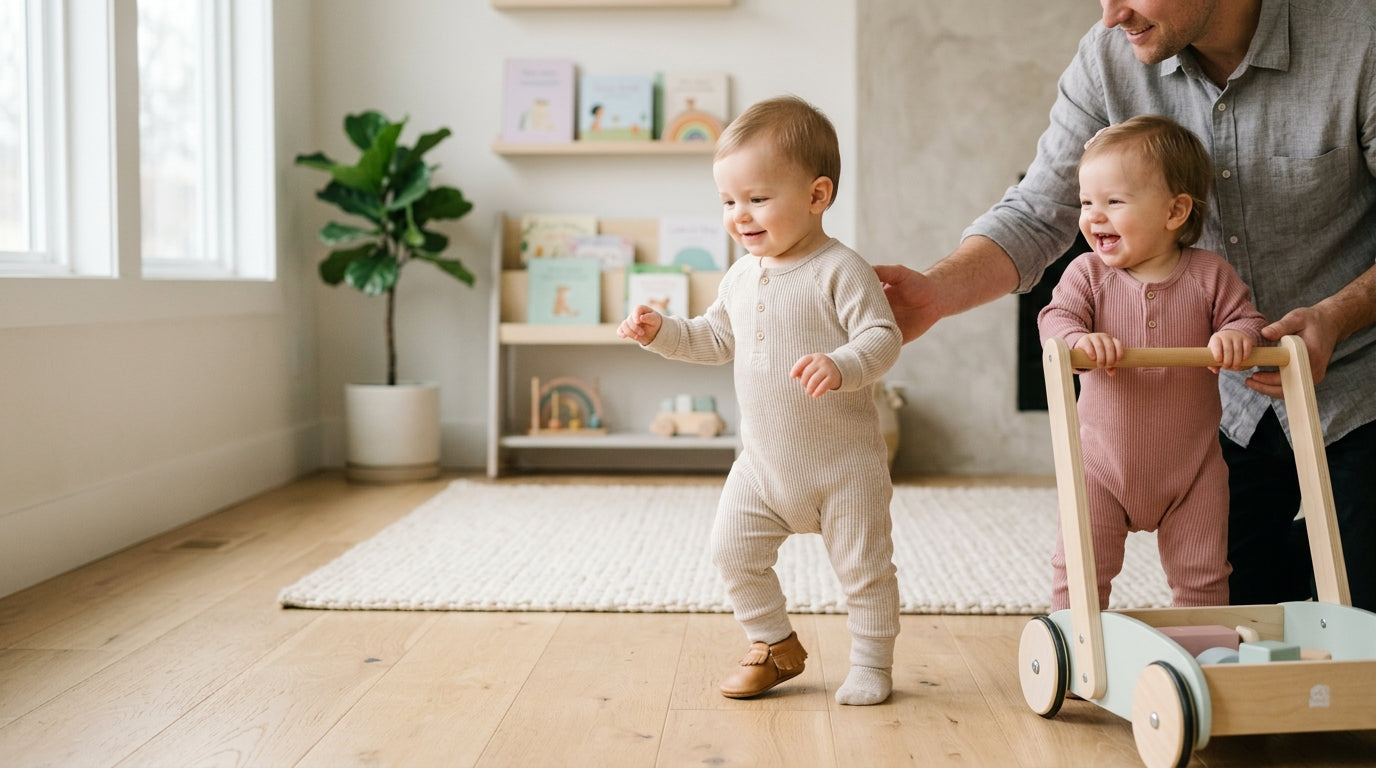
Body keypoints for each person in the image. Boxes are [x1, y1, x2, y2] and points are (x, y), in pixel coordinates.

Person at [876, 0, 1376, 612]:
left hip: (1360, 384)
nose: (1112, 14)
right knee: (1232, 611)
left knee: (1360, 618)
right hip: (1222, 413)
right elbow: (1039, 211)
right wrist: (936, 292)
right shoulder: (1109, 54)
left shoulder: (1361, 38)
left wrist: (1335, 316)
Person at [618, 95, 903, 705]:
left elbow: (883, 338)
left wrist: (842, 363)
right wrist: (662, 332)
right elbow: (715, 337)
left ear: (817, 196)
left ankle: (873, 664)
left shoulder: (840, 270)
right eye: (727, 201)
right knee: (730, 551)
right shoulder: (740, 277)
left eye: (756, 199)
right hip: (764, 465)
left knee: (864, 570)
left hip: (842, 467)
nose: (739, 215)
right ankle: (774, 644)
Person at [1038, 115, 1266, 610]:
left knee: (1204, 572)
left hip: (1193, 469)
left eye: (1114, 202)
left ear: (1175, 211)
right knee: (1080, 564)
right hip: (1102, 465)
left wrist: (1234, 337)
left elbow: (1247, 322)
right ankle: (1076, 648)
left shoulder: (1211, 275)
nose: (1094, 216)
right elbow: (1054, 322)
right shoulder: (1088, 274)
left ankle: (1204, 650)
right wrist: (1080, 339)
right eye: (1086, 203)